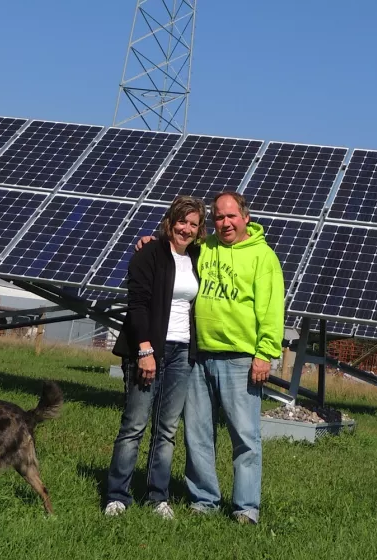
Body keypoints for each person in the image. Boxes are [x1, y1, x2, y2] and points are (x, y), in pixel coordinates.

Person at [137, 191, 285, 524]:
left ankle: (246, 507)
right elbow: (176, 248)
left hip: (241, 359)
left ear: (245, 217)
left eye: (231, 216)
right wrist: (153, 240)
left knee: (244, 436)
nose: (225, 223)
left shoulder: (263, 257)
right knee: (198, 433)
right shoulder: (206, 250)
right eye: (218, 217)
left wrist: (265, 354)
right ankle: (204, 499)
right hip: (199, 354)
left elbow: (272, 311)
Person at [104, 195, 206, 520]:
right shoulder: (149, 253)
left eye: (193, 224)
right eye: (182, 221)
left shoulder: (199, 258)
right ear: (170, 220)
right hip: (149, 349)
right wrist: (145, 350)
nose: (186, 229)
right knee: (134, 425)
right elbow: (137, 305)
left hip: (182, 353)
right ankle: (116, 496)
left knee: (167, 430)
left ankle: (157, 496)